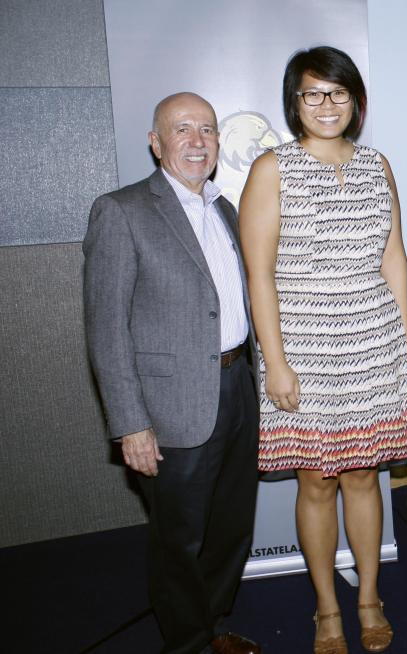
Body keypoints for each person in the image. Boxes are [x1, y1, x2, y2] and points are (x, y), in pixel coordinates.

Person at [239, 46, 407, 654]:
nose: (327, 104)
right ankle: (326, 609)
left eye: (338, 93)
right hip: (305, 353)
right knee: (317, 481)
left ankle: (369, 598)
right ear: (294, 103)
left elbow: (393, 257)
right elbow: (258, 275)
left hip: (375, 345)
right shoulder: (273, 168)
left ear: (356, 102)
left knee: (365, 478)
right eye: (313, 93)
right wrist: (277, 361)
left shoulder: (377, 165)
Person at [83, 92, 261, 654]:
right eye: (181, 130)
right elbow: (106, 330)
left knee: (230, 529)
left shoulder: (225, 209)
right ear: (156, 143)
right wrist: (130, 423)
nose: (197, 140)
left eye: (206, 130)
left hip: (236, 391)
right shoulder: (122, 210)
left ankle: (211, 627)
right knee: (178, 541)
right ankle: (186, 644)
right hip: (171, 408)